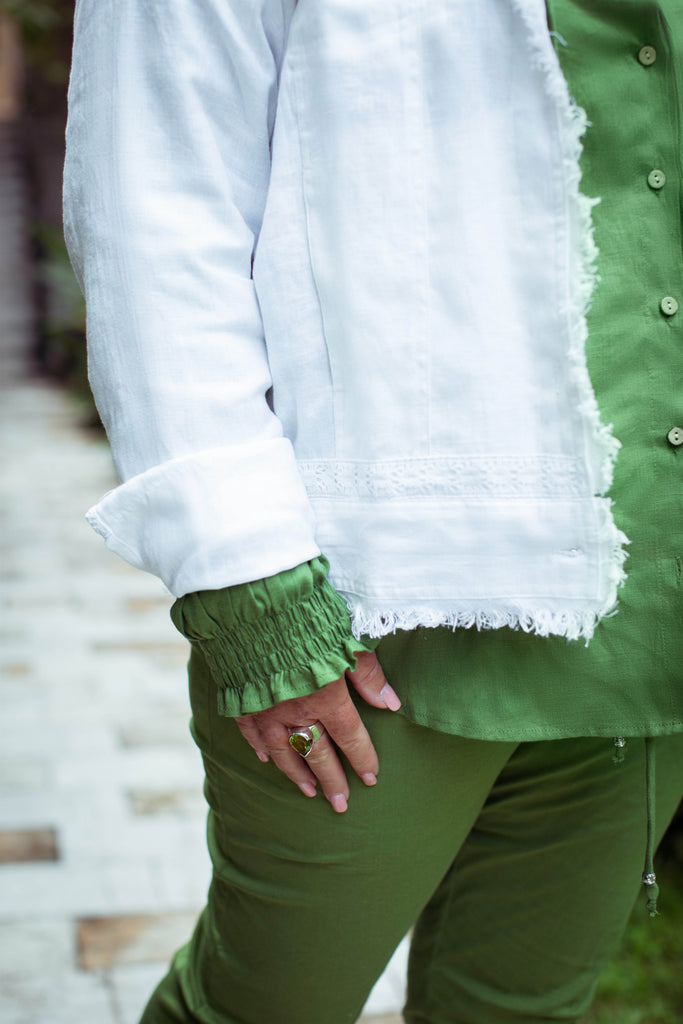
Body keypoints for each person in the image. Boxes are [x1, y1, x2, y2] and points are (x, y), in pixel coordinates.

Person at [63, 1, 683, 1021]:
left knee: (523, 1010)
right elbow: (156, 204)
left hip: (646, 597)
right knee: (265, 1009)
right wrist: (248, 583)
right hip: (373, 617)